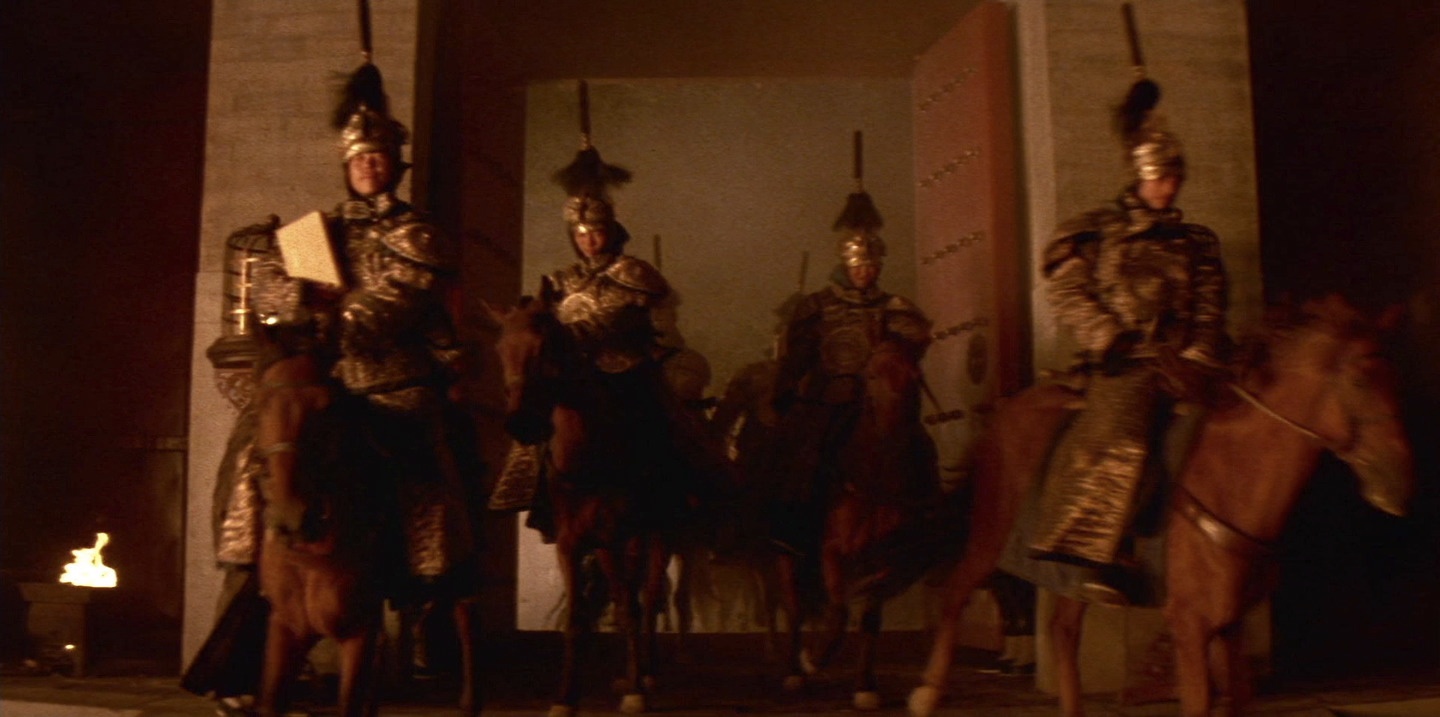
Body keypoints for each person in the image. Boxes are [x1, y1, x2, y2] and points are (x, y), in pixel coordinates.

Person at [187, 57, 477, 710]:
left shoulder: (417, 234)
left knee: (420, 476)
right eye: (358, 159)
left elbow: (398, 301)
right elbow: (276, 298)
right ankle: (247, 572)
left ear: (395, 164)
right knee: (254, 454)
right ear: (346, 165)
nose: (368, 167)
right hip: (322, 376)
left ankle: (424, 580)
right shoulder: (316, 232)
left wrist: (334, 308)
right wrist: (295, 297)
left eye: (378, 157)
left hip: (390, 383)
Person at [1027, 73, 1228, 604]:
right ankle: (1105, 552)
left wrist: (1198, 357)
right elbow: (1067, 291)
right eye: (1162, 178)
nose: (1170, 188)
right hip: (1127, 361)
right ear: (1140, 176)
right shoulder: (1097, 231)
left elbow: (1210, 309)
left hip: (1189, 362)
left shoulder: (1197, 243)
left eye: (1176, 177)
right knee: (1125, 437)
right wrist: (1108, 335)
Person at [766, 181, 933, 557]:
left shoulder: (894, 307)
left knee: (918, 447)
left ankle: (924, 517)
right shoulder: (818, 306)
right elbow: (797, 358)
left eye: (872, 266)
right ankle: (794, 533)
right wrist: (787, 394)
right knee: (805, 456)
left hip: (877, 398)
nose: (866, 273)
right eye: (859, 266)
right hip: (829, 399)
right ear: (846, 264)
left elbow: (913, 347)